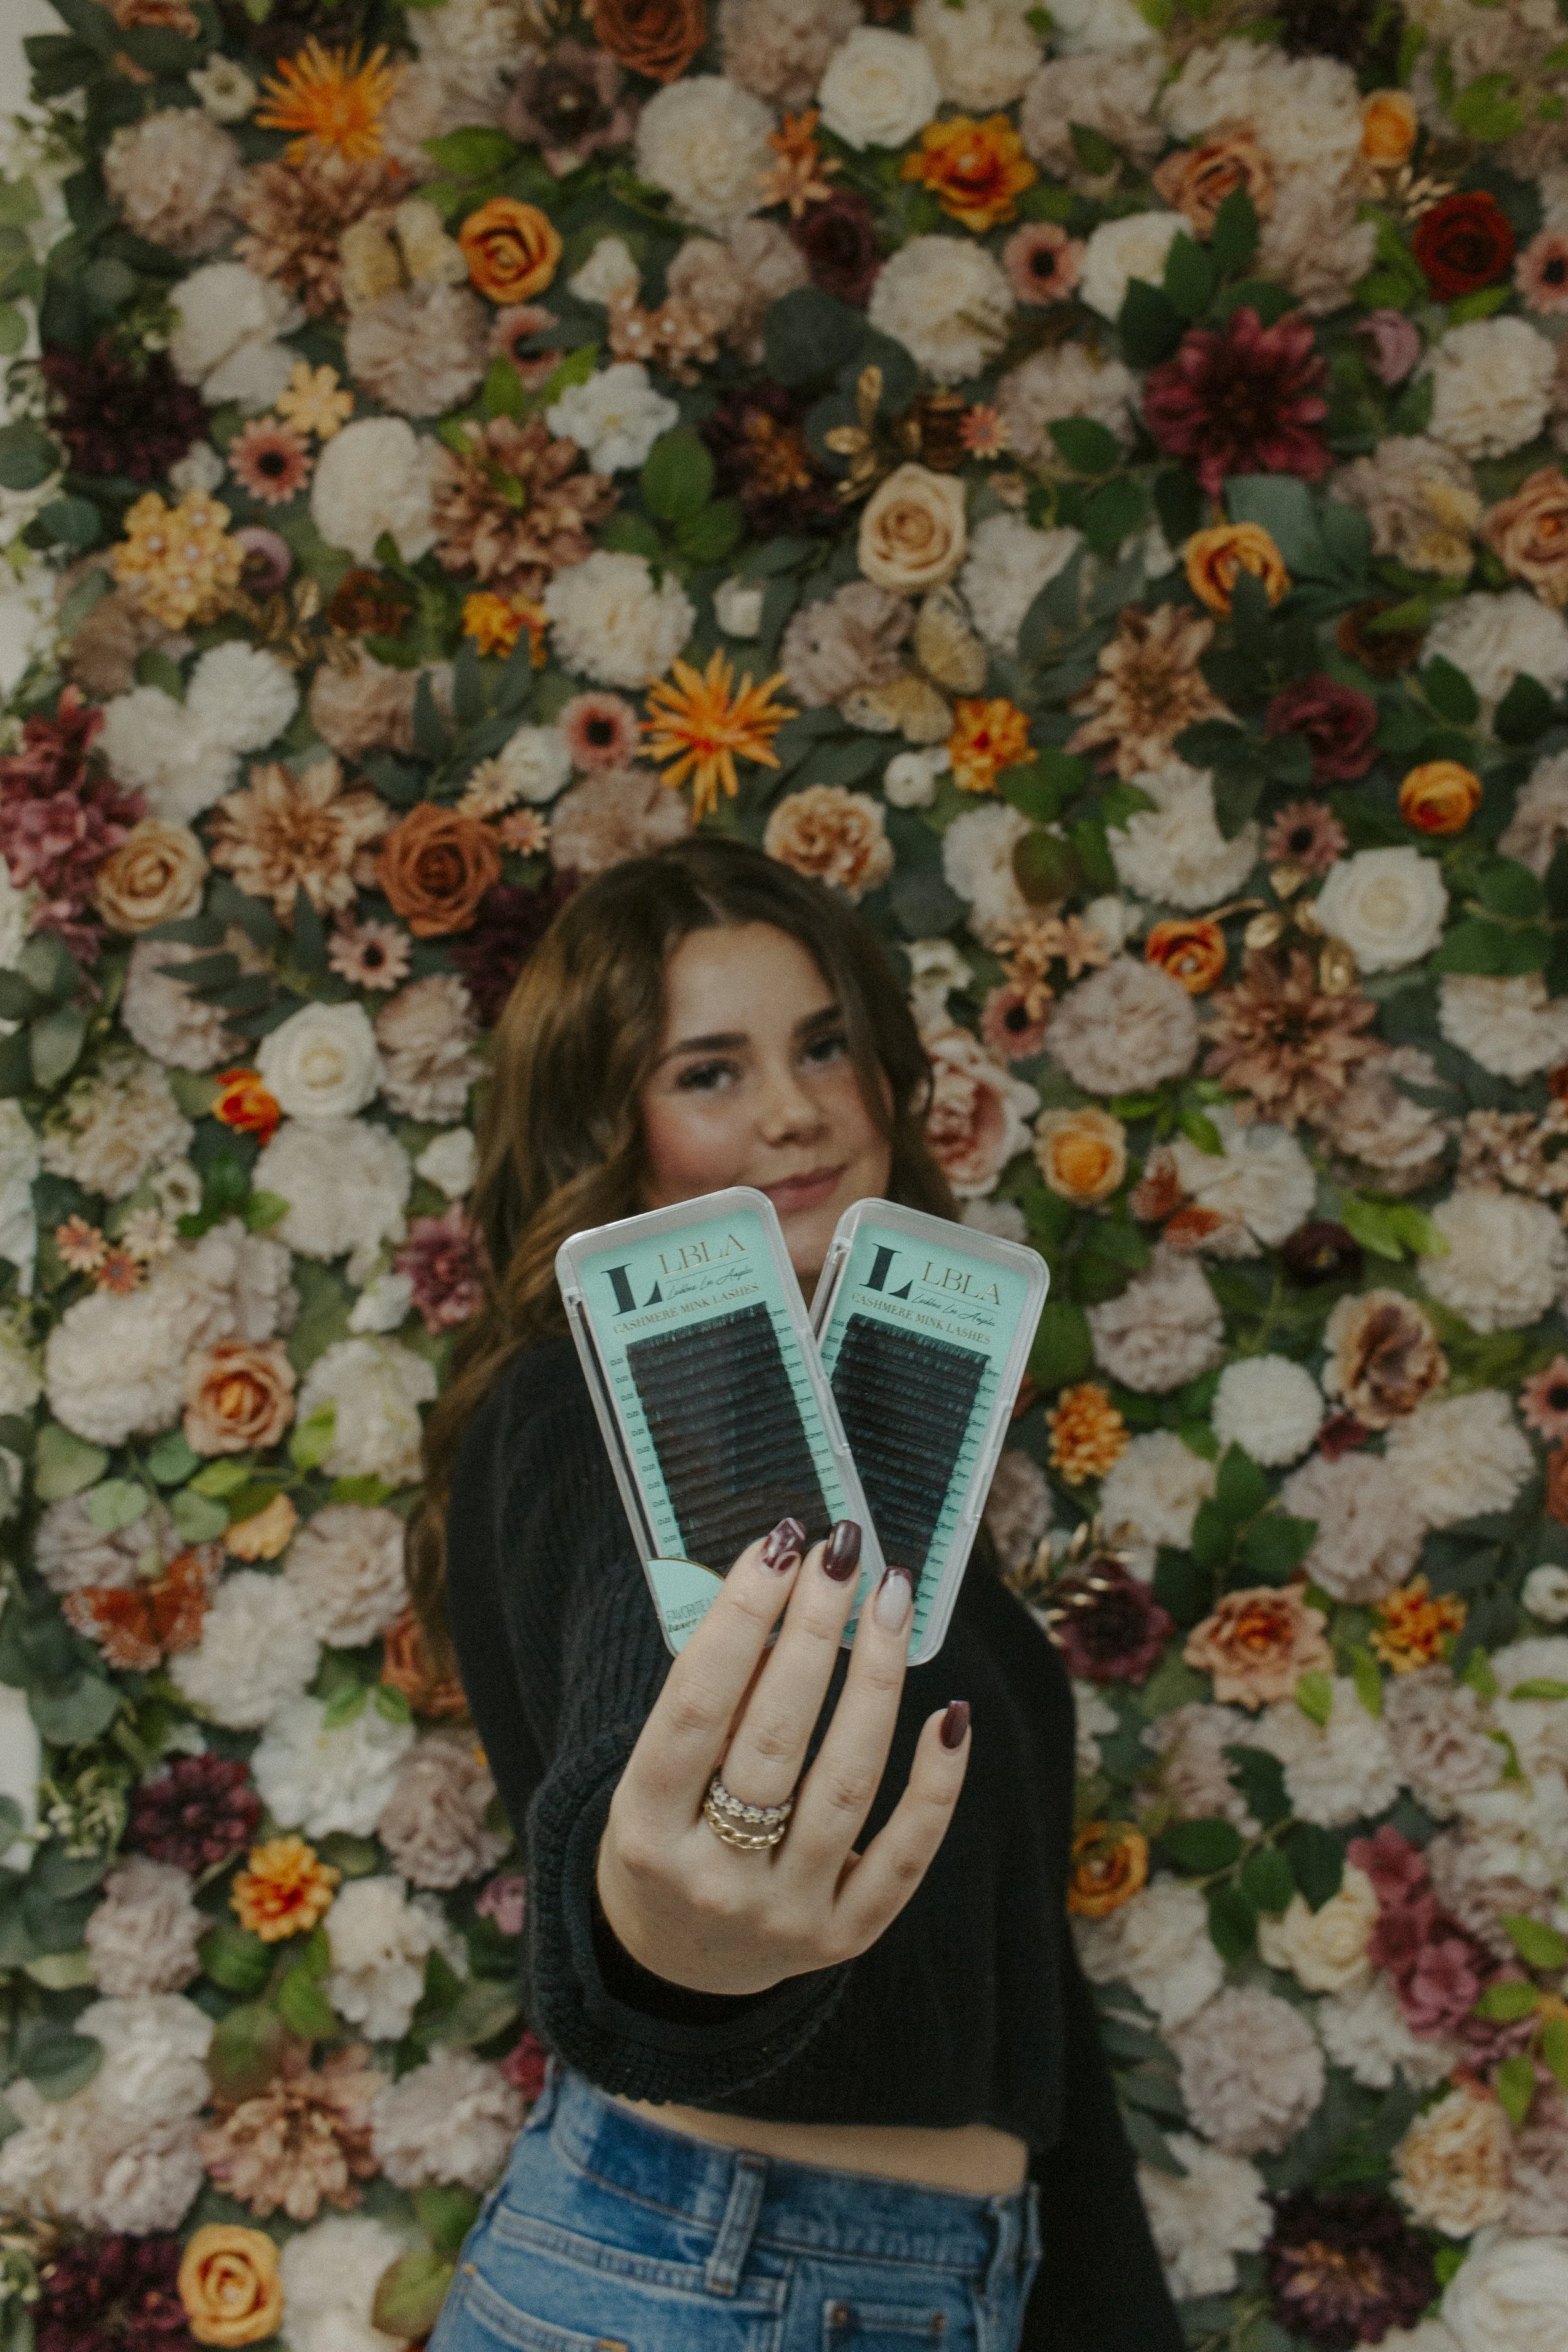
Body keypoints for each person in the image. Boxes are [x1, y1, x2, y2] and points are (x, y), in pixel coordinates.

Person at [415, 837, 1184, 2352]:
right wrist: (671, 1939)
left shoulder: (862, 1432)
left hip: (881, 2280)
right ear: (607, 1128)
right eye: (709, 1071)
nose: (795, 1108)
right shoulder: (610, 1397)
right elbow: (628, 1819)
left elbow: (1004, 2001)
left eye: (823, 1042)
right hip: (713, 2281)